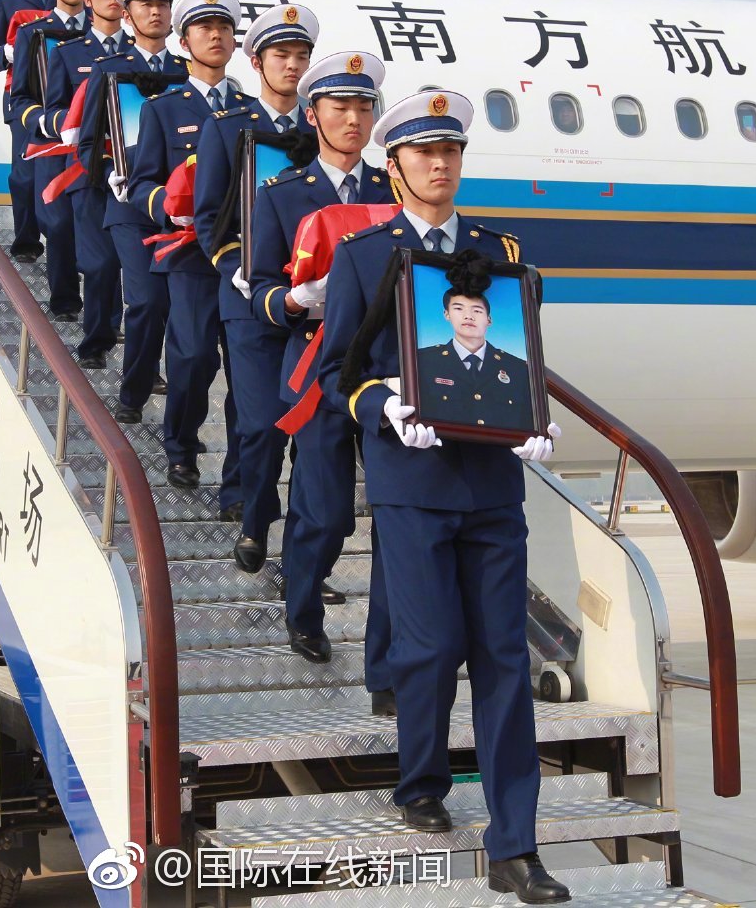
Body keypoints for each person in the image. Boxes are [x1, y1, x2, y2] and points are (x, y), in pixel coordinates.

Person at [316, 90, 569, 904]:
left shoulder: (503, 254)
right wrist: (380, 404)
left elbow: (519, 356)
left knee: (503, 660)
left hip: (492, 484)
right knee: (426, 650)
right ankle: (421, 778)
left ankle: (515, 846)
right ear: (393, 168)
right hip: (411, 484)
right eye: (424, 153)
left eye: (451, 152)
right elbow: (334, 375)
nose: (440, 165)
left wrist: (536, 419)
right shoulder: (362, 255)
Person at [248, 51, 396, 693]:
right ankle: (303, 609)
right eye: (339, 107)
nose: (353, 119)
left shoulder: (394, 192)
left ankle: (389, 655)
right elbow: (256, 285)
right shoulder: (281, 195)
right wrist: (294, 300)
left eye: (364, 108)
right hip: (316, 364)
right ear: (313, 115)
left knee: (391, 510)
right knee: (325, 509)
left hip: (385, 366)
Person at [193, 6, 318, 561]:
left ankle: (297, 545)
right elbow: (209, 216)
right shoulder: (227, 128)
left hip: (312, 301)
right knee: (260, 419)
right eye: (281, 56)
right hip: (248, 299)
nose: (292, 66)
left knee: (309, 433)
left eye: (301, 57)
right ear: (256, 61)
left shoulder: (320, 133)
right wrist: (239, 269)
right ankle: (253, 515)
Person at [127, 0, 249, 518]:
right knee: (193, 357)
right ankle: (180, 445)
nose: (216, 36)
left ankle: (239, 483)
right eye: (204, 28)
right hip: (192, 258)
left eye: (224, 28)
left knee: (245, 374)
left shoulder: (251, 112)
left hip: (247, 260)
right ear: (184, 41)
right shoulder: (163, 109)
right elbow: (139, 183)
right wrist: (167, 209)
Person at [82, 0, 187, 421]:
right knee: (145, 300)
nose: (156, 11)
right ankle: (133, 393)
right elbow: (87, 142)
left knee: (173, 308)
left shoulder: (187, 75)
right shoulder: (109, 71)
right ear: (127, 13)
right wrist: (108, 172)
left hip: (181, 209)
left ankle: (154, 392)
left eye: (162, 4)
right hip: (128, 207)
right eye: (146, 4)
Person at [37, 0, 137, 369]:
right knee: (99, 263)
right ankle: (97, 341)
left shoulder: (143, 58)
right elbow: (50, 110)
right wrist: (74, 122)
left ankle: (132, 351)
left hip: (137, 177)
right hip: (88, 173)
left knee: (134, 274)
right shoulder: (68, 53)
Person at [10, 0, 92, 322]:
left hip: (97, 149)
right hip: (52, 145)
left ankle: (100, 313)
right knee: (56, 223)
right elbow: (21, 97)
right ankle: (64, 300)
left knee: (95, 233)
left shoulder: (105, 38)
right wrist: (48, 122)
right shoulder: (33, 34)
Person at [0, 0, 64, 262]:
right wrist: (9, 51)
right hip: (24, 96)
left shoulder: (72, 1)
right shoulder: (8, 1)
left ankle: (62, 242)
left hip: (64, 97)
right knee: (23, 173)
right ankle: (27, 240)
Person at [415, 288, 534, 432]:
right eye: (459, 308)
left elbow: (527, 422)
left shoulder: (517, 368)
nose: (468, 316)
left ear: (489, 319)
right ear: (447, 314)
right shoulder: (423, 361)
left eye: (477, 311)